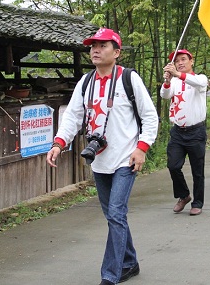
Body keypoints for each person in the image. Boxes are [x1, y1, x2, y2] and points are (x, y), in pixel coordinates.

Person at [46, 28, 158, 285]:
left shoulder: (129, 79)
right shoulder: (85, 83)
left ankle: (110, 274)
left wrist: (141, 148)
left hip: (126, 158)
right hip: (99, 159)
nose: (95, 50)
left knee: (116, 213)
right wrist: (58, 144)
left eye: (102, 45)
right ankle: (130, 263)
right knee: (113, 216)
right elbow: (72, 117)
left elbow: (150, 116)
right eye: (92, 46)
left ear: (116, 52)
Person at [161, 49, 208, 216]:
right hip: (178, 131)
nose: (180, 63)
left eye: (183, 59)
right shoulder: (174, 81)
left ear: (191, 61)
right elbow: (165, 95)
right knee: (173, 165)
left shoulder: (200, 78)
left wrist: (177, 74)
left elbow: (198, 84)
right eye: (177, 61)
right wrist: (167, 81)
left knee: (197, 170)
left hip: (196, 131)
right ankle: (183, 195)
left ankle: (198, 202)